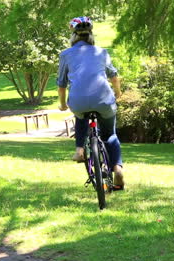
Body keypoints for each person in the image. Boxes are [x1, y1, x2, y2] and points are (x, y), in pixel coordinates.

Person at [57, 16, 125, 190]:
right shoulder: (101, 52)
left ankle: (79, 150)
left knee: (80, 116)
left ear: (73, 36)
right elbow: (114, 77)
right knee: (110, 135)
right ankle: (117, 167)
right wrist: (117, 93)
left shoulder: (65, 55)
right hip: (103, 99)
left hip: (79, 101)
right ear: (90, 35)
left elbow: (61, 84)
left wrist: (63, 104)